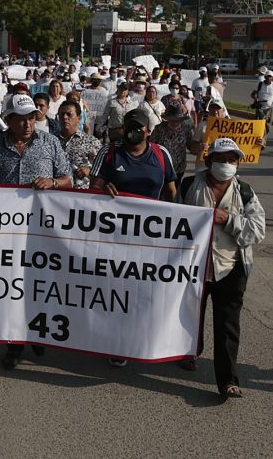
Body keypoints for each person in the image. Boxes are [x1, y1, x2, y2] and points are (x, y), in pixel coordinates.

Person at [0, 94, 72, 369]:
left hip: (43, 230)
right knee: (12, 287)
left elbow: (70, 179)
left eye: (31, 118)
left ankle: (39, 334)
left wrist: (53, 181)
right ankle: (14, 343)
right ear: (8, 120)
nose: (28, 124)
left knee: (40, 283)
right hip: (8, 232)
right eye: (21, 119)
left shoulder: (50, 142)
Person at [178, 138, 266, 398]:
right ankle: (191, 352)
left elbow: (258, 230)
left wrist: (228, 220)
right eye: (221, 159)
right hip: (193, 267)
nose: (227, 164)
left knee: (228, 325)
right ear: (208, 161)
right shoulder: (189, 186)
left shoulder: (245, 192)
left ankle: (227, 380)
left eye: (232, 159)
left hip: (231, 267)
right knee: (191, 315)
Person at [91, 108, 178, 367]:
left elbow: (172, 192)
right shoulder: (108, 152)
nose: (134, 131)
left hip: (151, 238)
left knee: (145, 291)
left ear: (148, 131)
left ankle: (145, 338)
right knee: (116, 290)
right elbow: (91, 188)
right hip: (115, 236)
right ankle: (117, 342)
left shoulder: (161, 155)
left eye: (139, 127)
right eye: (130, 126)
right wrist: (103, 188)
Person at [55, 100, 101, 190]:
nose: (65, 117)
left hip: (81, 195)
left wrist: (89, 170)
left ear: (79, 118)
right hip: (56, 194)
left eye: (69, 114)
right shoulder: (51, 141)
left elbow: (103, 170)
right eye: (61, 114)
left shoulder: (91, 142)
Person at [149, 104, 195, 186]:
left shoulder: (186, 129)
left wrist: (199, 147)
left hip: (178, 168)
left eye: (178, 120)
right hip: (161, 167)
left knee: (174, 193)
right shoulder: (159, 129)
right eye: (172, 120)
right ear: (167, 119)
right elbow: (151, 146)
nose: (175, 122)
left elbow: (190, 145)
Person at [250, 70, 273, 147]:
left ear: (272, 77)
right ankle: (262, 142)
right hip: (260, 108)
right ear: (265, 77)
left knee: (268, 126)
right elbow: (252, 94)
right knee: (261, 125)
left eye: (270, 76)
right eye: (267, 76)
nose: (268, 78)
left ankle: (262, 139)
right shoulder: (260, 84)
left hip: (270, 109)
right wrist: (256, 99)